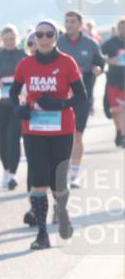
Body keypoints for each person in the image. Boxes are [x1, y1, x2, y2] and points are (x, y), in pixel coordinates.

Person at [9, 20, 87, 251]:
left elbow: (81, 96)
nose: (43, 38)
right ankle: (42, 233)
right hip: (34, 130)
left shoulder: (66, 62)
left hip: (61, 129)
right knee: (39, 180)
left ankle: (62, 211)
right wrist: (18, 108)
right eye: (39, 34)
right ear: (34, 38)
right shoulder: (25, 64)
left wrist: (60, 103)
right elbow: (14, 93)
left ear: (56, 37)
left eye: (48, 34)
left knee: (58, 181)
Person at [58, 11, 106, 188]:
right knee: (63, 136)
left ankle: (74, 173)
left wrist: (98, 69)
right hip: (60, 96)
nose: (69, 24)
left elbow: (100, 62)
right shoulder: (58, 42)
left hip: (82, 96)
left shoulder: (90, 44)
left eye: (72, 21)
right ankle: (59, 171)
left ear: (80, 24)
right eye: (66, 21)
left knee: (77, 135)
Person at [0, 25, 28, 190]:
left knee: (14, 138)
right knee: (3, 138)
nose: (10, 42)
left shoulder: (23, 55)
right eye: (6, 39)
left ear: (17, 39)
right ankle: (6, 170)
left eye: (12, 39)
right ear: (2, 40)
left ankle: (12, 174)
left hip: (17, 103)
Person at [100, 17, 125, 147]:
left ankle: (122, 135)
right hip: (114, 80)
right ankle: (119, 131)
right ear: (117, 28)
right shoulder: (110, 43)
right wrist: (110, 60)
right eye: (121, 27)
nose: (123, 30)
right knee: (116, 110)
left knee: (123, 109)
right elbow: (99, 56)